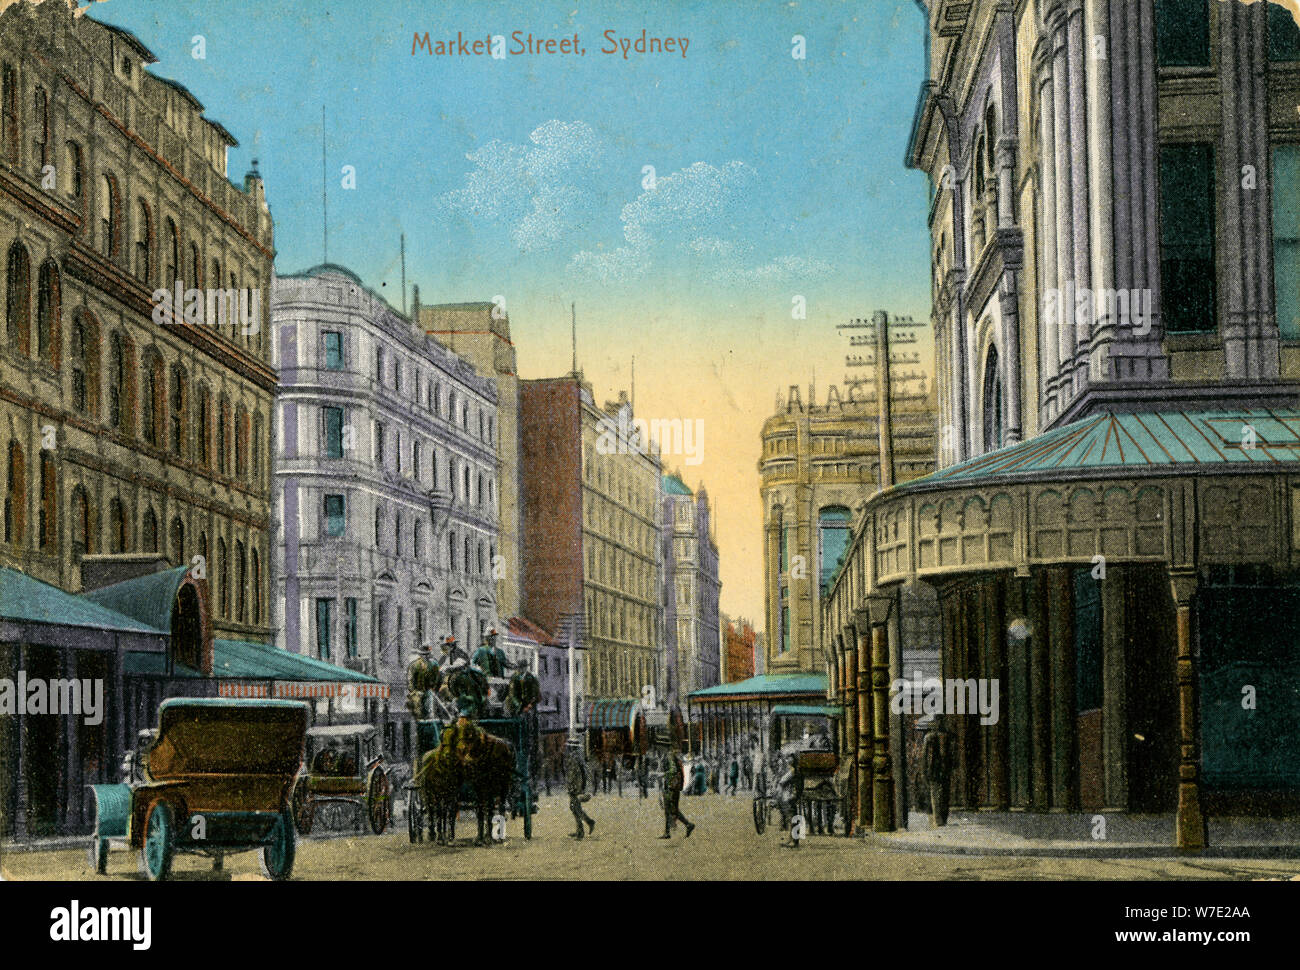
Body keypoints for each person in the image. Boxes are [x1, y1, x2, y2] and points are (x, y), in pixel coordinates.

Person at [658, 743, 694, 839]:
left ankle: (688, 824)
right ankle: (667, 832)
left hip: (671, 787)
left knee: (672, 810)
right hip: (671, 787)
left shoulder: (670, 756)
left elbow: (673, 771)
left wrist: (663, 774)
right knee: (668, 809)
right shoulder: (671, 756)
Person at [565, 739, 596, 839]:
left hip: (576, 787)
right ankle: (587, 823)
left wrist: (577, 788)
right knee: (574, 807)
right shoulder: (577, 757)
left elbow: (577, 774)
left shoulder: (575, 757)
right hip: (574, 786)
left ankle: (581, 831)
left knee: (575, 808)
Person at [405, 644, 441, 719]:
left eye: (427, 654)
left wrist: (434, 689)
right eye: (423, 655)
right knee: (418, 709)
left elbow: (437, 678)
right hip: (418, 692)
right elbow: (410, 680)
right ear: (420, 655)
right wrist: (414, 692)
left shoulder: (434, 665)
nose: (425, 657)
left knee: (431, 708)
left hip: (430, 692)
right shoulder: (414, 665)